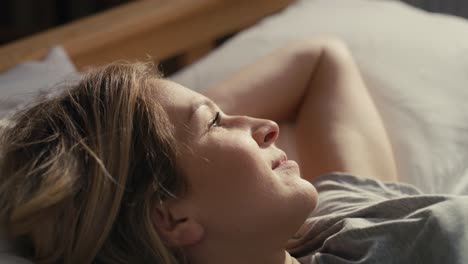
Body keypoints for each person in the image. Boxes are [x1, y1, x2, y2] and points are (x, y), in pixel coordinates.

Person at [0, 37, 466, 264]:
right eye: (219, 122)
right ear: (171, 220)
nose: (265, 129)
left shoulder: (335, 215)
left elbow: (321, 58)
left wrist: (169, 123)